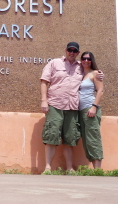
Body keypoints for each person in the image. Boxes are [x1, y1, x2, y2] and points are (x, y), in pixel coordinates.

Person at [40, 42, 102, 174]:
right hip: (55, 104)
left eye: (75, 51)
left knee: (70, 138)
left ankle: (69, 168)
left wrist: (99, 74)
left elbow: (92, 73)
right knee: (51, 135)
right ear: (66, 50)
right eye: (70, 50)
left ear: (77, 53)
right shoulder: (54, 63)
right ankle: (47, 168)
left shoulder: (81, 66)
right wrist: (44, 101)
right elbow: (44, 81)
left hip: (73, 107)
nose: (72, 52)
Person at [78, 51, 104, 169]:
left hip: (90, 108)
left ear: (92, 60)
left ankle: (97, 170)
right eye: (84, 58)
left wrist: (94, 107)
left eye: (88, 59)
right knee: (86, 139)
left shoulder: (96, 74)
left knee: (93, 138)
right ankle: (94, 169)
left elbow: (100, 91)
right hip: (80, 110)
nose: (86, 61)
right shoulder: (80, 73)